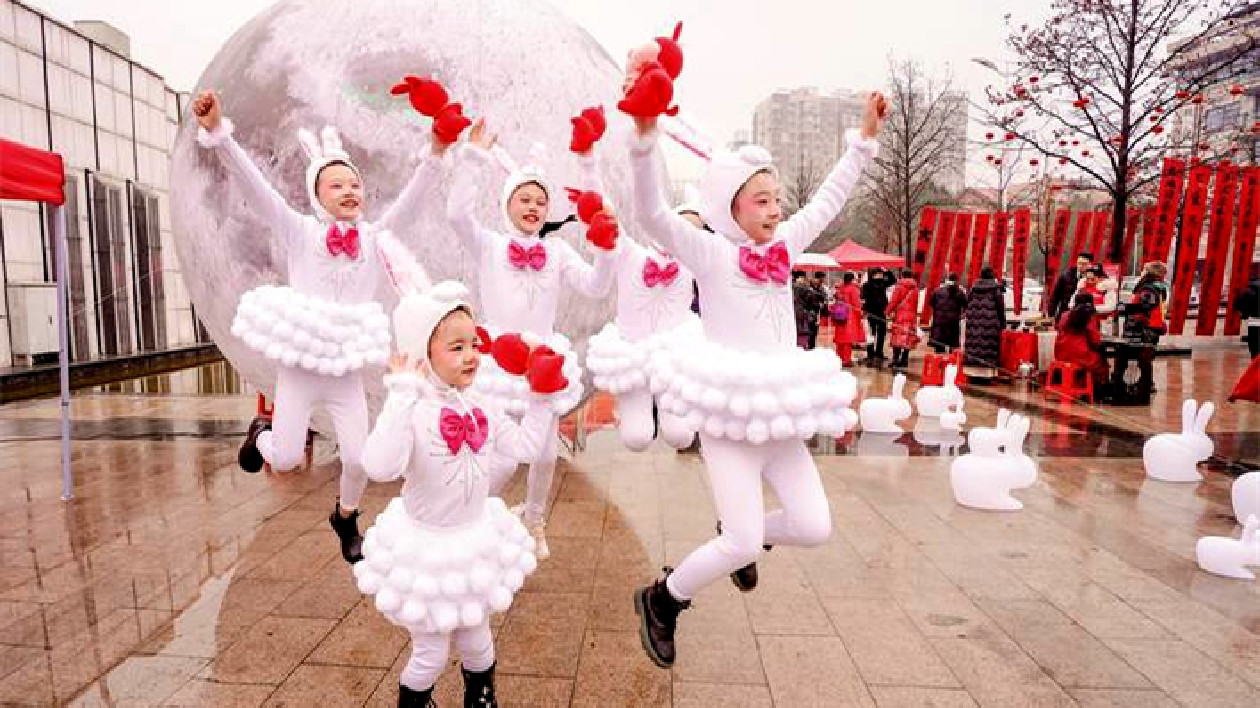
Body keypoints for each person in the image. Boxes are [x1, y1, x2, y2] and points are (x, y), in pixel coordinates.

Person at [624, 61, 885, 667]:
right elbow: (654, 217)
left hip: (778, 415)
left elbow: (828, 199)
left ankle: (736, 533)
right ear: (732, 209)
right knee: (740, 538)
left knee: (814, 525)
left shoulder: (786, 246)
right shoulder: (711, 253)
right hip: (728, 418)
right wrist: (642, 143)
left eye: (776, 200)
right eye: (760, 201)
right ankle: (664, 598)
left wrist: (864, 140)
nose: (774, 210)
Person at [192, 88, 462, 564]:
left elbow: (413, 202)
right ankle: (262, 435)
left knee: (360, 459)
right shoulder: (300, 230)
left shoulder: (375, 236)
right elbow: (255, 186)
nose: (349, 191)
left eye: (354, 184)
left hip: (345, 366)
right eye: (336, 185)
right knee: (289, 457)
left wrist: (436, 153)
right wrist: (217, 131)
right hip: (300, 363)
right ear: (318, 196)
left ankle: (346, 514)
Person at [356, 258, 563, 708]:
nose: (471, 355)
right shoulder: (412, 409)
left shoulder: (482, 403)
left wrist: (541, 396)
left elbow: (527, 447)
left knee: (478, 641)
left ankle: (481, 698)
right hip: (425, 548)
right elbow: (379, 465)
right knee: (430, 653)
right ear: (422, 354)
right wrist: (401, 394)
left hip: (473, 539)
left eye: (473, 344)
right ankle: (414, 702)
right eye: (456, 347)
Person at [445, 119, 619, 559]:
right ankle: (469, 516)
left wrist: (603, 244)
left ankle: (534, 518)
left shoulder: (557, 251)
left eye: (540, 201)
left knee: (543, 455)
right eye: (524, 198)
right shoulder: (488, 245)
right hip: (498, 361)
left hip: (541, 362)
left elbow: (597, 287)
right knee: (501, 455)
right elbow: (456, 215)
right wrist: (473, 156)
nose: (533, 206)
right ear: (507, 204)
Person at [1114, 261, 1168, 402]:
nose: (1142, 272)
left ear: (1150, 273)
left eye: (1144, 270)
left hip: (1144, 329)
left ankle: (1138, 390)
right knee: (1145, 359)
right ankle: (1145, 386)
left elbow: (1144, 306)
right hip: (1152, 327)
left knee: (1138, 358)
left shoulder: (1148, 289)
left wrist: (1124, 308)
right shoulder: (1158, 287)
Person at [1054, 292, 1109, 387]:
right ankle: (1093, 389)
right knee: (1101, 364)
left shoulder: (1064, 315)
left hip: (1060, 353)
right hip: (1079, 354)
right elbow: (1095, 340)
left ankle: (1077, 385)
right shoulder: (1088, 316)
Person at [964, 266, 1006, 373]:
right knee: (988, 348)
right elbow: (1001, 309)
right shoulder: (996, 291)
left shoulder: (973, 289)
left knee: (974, 346)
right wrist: (1003, 324)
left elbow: (967, 304)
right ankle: (987, 371)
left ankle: (972, 367)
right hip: (990, 326)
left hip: (973, 325)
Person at [885, 268, 920, 369]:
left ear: (902, 276)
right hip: (911, 315)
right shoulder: (915, 289)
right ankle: (904, 359)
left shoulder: (899, 287)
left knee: (897, 337)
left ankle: (896, 359)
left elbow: (894, 301)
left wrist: (887, 312)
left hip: (900, 315)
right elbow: (916, 303)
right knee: (908, 338)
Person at [830, 272, 865, 365]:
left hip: (839, 315)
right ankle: (846, 359)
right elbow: (856, 304)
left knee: (839, 339)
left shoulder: (840, 288)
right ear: (852, 279)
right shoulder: (853, 289)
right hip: (850, 316)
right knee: (847, 340)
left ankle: (839, 358)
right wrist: (860, 313)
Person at [928, 273, 967, 353]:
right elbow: (966, 305)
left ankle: (939, 363)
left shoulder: (937, 291)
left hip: (939, 320)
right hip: (953, 321)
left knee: (939, 345)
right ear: (956, 280)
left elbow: (931, 303)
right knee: (952, 345)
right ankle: (951, 363)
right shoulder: (959, 292)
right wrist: (962, 315)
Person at [1049, 252, 1094, 319]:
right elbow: (1055, 297)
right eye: (1079, 263)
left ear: (1090, 265)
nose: (1081, 266)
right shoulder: (1066, 276)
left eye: (1084, 264)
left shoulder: (1095, 278)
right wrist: (1051, 315)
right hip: (1065, 313)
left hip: (1085, 316)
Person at [861, 267, 890, 362]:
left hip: (882, 312)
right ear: (873, 275)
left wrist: (887, 271)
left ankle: (879, 352)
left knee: (882, 333)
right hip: (871, 312)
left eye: (881, 274)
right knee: (871, 333)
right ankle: (870, 353)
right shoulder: (866, 285)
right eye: (878, 273)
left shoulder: (883, 283)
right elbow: (862, 296)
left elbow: (892, 280)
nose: (880, 275)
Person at [1232, 274, 1260, 358]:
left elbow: (1237, 305)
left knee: (1254, 350)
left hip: (1254, 324)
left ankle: (1255, 369)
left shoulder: (1247, 292)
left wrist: (1245, 313)